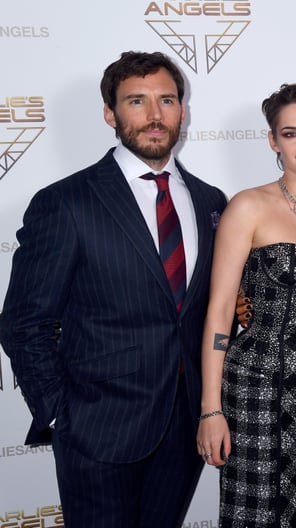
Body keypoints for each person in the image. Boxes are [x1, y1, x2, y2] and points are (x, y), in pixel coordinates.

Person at [0, 51, 227, 527]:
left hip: (184, 429)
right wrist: (63, 416)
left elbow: (206, 312)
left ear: (182, 110)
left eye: (167, 100)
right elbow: (24, 322)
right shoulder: (66, 202)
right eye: (136, 101)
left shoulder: (210, 200)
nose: (154, 114)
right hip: (97, 432)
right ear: (110, 113)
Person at [196, 83, 296, 527]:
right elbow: (220, 310)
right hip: (258, 387)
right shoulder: (248, 206)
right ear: (273, 141)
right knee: (262, 515)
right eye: (290, 133)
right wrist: (211, 409)